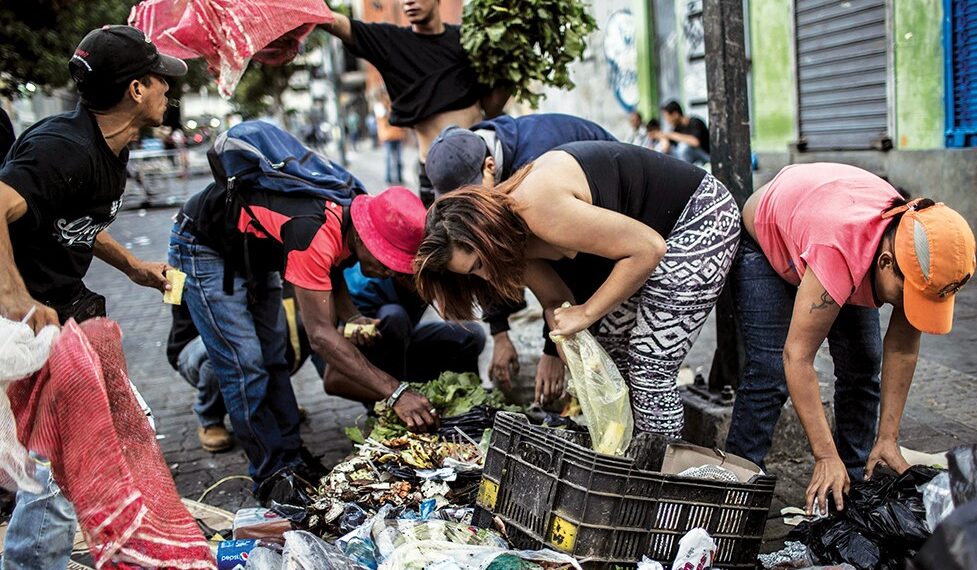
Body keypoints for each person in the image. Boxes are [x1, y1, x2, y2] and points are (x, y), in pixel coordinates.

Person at [0, 25, 187, 570]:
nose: (167, 90)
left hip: (68, 311)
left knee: (123, 433)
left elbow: (71, 216)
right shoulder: (63, 148)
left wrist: (132, 267)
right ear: (135, 90)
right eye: (160, 80)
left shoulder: (106, 145)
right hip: (27, 329)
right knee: (61, 465)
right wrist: (15, 297)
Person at [414, 141, 741, 435]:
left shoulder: (536, 206)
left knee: (649, 366)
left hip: (699, 218)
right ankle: (628, 458)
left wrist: (586, 313)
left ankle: (661, 485)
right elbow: (556, 301)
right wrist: (567, 346)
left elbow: (647, 249)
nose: (485, 278)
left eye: (479, 266)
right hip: (649, 243)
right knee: (610, 356)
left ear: (486, 238)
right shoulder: (511, 245)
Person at [724, 163, 976, 516]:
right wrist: (824, 454)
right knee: (769, 372)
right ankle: (736, 484)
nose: (909, 309)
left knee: (862, 363)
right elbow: (797, 357)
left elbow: (901, 348)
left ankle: (853, 483)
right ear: (887, 262)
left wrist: (888, 438)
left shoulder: (915, 251)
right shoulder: (841, 248)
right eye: (911, 298)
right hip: (768, 240)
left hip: (827, 227)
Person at [170, 181, 439, 497]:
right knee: (245, 365)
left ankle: (292, 459)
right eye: (385, 260)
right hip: (204, 245)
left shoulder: (349, 217)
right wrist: (395, 392)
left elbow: (332, 265)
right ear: (365, 238)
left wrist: (351, 316)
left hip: (256, 253)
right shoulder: (314, 232)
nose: (388, 272)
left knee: (273, 359)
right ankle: (271, 475)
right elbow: (321, 336)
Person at [424, 113, 617, 392]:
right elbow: (485, 256)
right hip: (591, 245)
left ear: (489, 167)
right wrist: (499, 333)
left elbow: (576, 266)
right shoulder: (472, 152)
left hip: (610, 237)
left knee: (614, 349)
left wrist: (552, 349)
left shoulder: (536, 172)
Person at [320, 0, 508, 206]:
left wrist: (510, 74)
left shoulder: (467, 40)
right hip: (438, 180)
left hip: (484, 167)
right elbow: (341, 24)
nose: (408, 1)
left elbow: (490, 109)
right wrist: (300, 9)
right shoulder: (393, 43)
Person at [166, 282, 312, 453]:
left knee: (290, 329)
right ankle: (209, 417)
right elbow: (174, 299)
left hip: (248, 338)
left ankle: (272, 404)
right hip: (195, 349)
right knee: (227, 347)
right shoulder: (184, 266)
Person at [313, 263, 485, 394]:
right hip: (358, 365)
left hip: (403, 346)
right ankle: (388, 405)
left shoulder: (419, 283)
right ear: (403, 276)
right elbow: (333, 377)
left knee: (471, 334)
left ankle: (466, 396)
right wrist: (397, 394)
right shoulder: (366, 289)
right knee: (395, 316)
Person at [658, 100, 710, 165]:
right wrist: (664, 139)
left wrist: (671, 135)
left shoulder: (695, 122)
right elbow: (666, 148)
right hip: (694, 159)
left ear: (675, 114)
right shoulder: (677, 128)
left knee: (684, 147)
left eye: (667, 117)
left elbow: (695, 142)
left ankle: (685, 172)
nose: (667, 121)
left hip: (706, 155)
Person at [376, 98, 406, 184]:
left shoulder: (395, 106)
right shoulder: (381, 108)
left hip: (397, 135)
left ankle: (399, 178)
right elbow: (381, 120)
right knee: (388, 159)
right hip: (388, 137)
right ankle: (388, 178)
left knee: (398, 159)